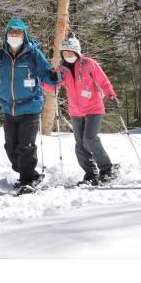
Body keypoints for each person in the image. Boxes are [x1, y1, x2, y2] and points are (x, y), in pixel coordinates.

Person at [0, 18, 61, 193]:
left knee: (26, 146)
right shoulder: (0, 56)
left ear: (24, 34)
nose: (14, 34)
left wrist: (53, 77)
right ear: (7, 34)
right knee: (11, 147)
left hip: (30, 107)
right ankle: (29, 174)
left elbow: (45, 73)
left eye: (18, 32)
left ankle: (27, 180)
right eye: (11, 32)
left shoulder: (33, 54)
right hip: (8, 108)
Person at [51, 35, 121, 186]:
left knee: (89, 139)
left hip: (94, 108)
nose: (67, 55)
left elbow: (103, 80)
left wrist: (111, 95)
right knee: (80, 145)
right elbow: (52, 87)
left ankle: (108, 169)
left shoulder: (89, 64)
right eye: (64, 53)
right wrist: (49, 79)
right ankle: (90, 174)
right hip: (76, 112)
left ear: (76, 52)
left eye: (70, 52)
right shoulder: (62, 70)